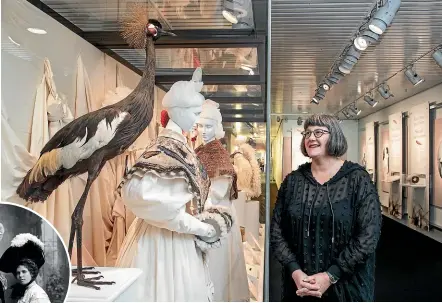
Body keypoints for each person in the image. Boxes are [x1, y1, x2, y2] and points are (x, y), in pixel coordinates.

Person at [115, 68, 232, 301]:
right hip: (161, 245)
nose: (198, 119)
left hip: (180, 242)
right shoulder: (164, 149)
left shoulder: (180, 146)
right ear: (179, 111)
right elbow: (146, 199)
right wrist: (198, 227)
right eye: (196, 112)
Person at [270, 114, 382, 302]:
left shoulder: (357, 179)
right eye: (307, 133)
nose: (311, 137)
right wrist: (295, 271)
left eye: (319, 132)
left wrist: (330, 276)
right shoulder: (293, 181)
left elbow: (368, 236)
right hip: (300, 288)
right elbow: (276, 232)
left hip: (347, 288)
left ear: (334, 137)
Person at [0, 233, 50, 303]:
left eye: (24, 271)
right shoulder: (25, 292)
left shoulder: (38, 295)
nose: (20, 275)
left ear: (32, 273)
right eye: (18, 273)